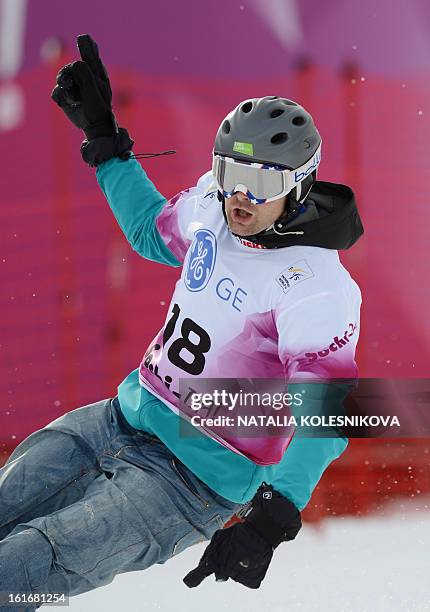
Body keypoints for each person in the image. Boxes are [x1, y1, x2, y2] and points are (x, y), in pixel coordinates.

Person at [0, 34, 363, 607]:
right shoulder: (213, 213)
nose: (240, 196)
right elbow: (151, 231)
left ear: (300, 184)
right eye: (229, 173)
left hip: (185, 484)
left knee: (19, 568)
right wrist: (104, 142)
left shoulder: (315, 286)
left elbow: (325, 418)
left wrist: (270, 520)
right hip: (116, 421)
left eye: (262, 181)